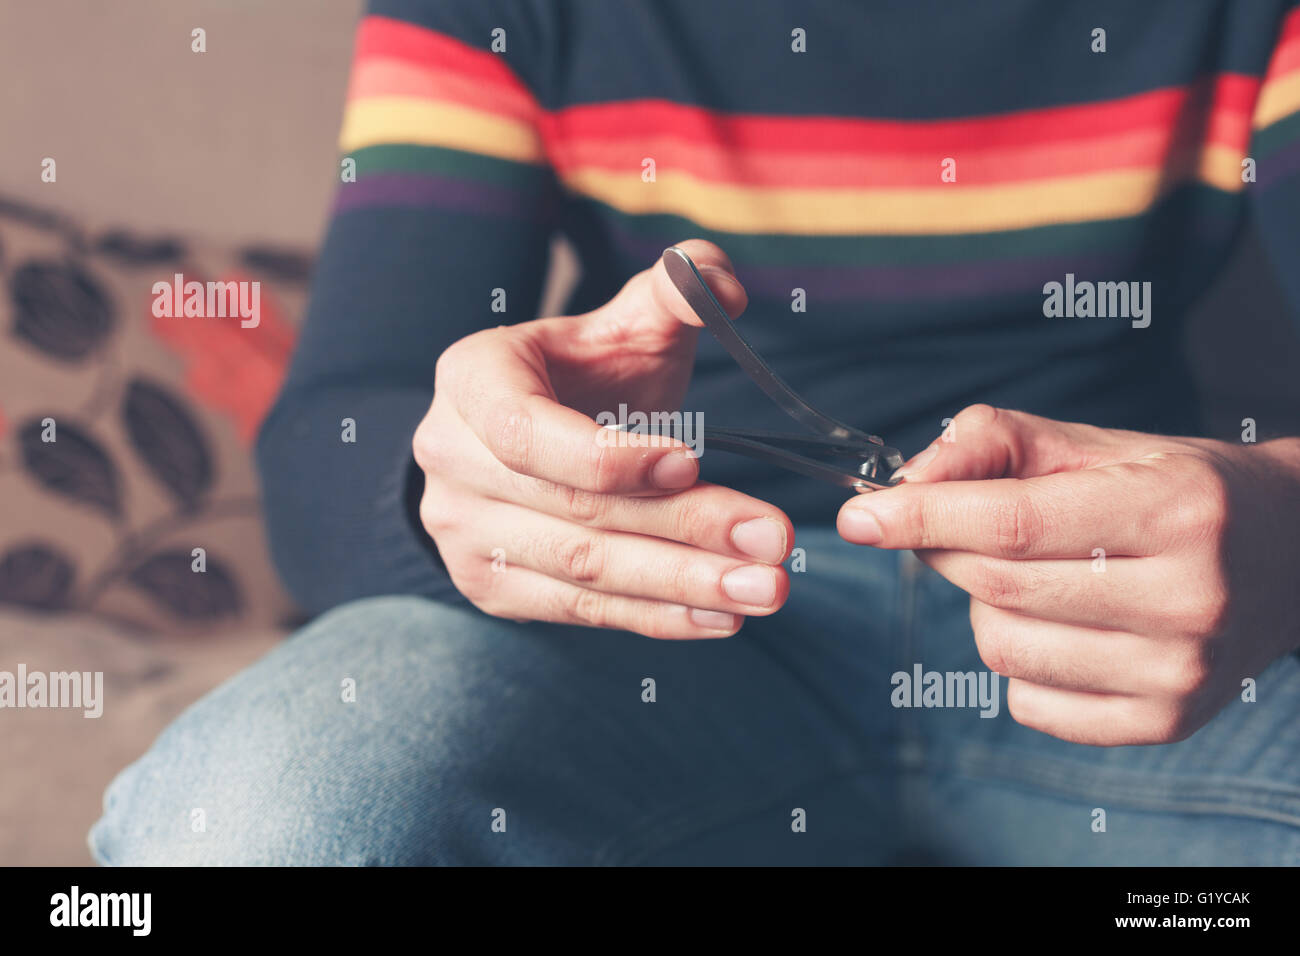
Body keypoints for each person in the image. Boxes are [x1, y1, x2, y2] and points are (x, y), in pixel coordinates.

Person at [90, 0, 1300, 865]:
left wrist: (1283, 523)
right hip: (667, 625)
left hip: (1116, 625)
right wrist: (458, 482)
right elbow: (329, 442)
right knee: (261, 822)